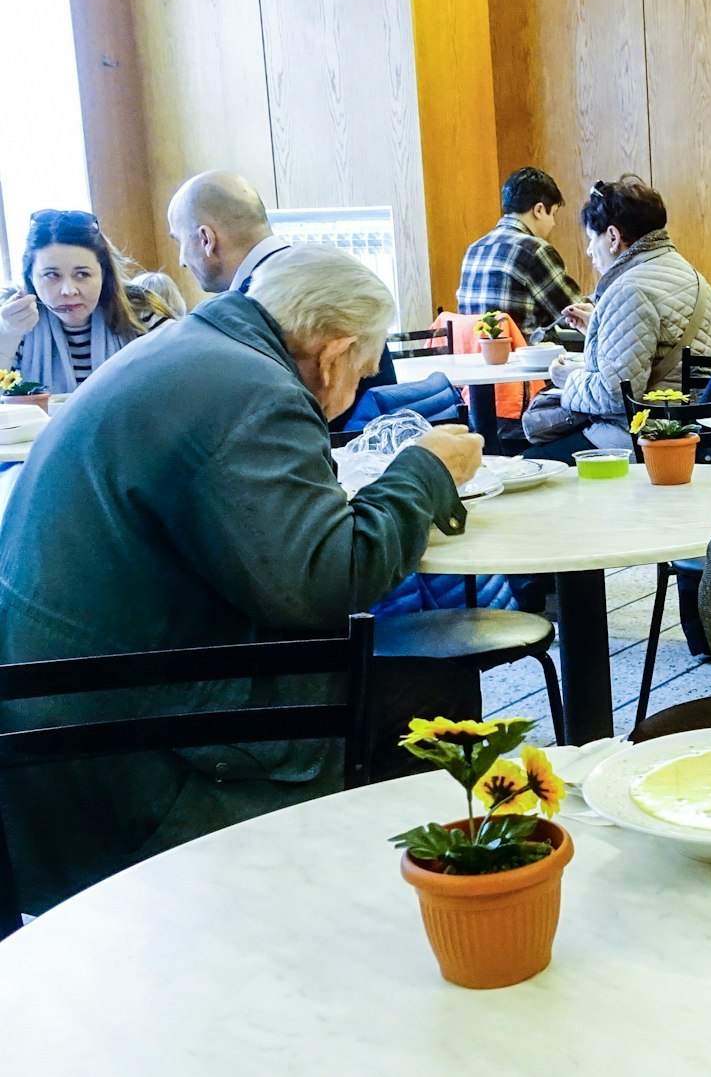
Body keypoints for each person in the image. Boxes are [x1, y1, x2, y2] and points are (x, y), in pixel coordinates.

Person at [0, 246, 483, 914]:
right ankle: (367, 916)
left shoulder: (192, 345)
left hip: (57, 727)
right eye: (361, 374)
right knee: (434, 687)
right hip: (129, 761)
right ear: (334, 354)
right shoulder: (255, 392)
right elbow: (327, 578)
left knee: (407, 660)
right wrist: (424, 468)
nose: (353, 396)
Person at [167, 170, 397, 415]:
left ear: (206, 239)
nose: (181, 260)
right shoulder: (332, 270)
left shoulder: (253, 310)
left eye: (179, 241)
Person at [538, 175, 711, 453]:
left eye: (592, 239)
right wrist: (597, 330)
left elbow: (615, 395)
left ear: (613, 237)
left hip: (646, 440)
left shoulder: (628, 289)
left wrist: (569, 379)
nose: (589, 250)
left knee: (528, 463)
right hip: (693, 434)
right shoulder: (690, 276)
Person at [0, 209, 171, 394]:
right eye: (51, 275)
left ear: (103, 274)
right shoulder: (14, 321)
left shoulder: (140, 313)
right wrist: (7, 336)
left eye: (82, 274)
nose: (69, 291)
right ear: (31, 278)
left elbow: (188, 372)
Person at [456, 165, 583, 339]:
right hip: (524, 360)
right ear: (538, 210)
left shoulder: (474, 249)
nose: (553, 223)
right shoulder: (534, 250)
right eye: (553, 214)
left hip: (477, 360)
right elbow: (575, 313)